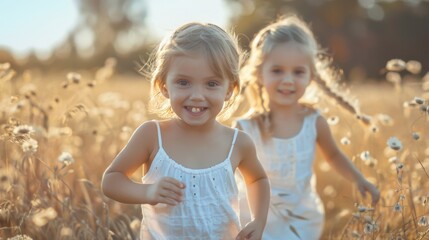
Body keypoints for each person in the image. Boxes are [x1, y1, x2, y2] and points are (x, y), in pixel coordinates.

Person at [101, 22, 270, 240]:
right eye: (183, 82)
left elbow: (257, 180)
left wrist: (259, 220)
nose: (197, 95)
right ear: (164, 86)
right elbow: (111, 180)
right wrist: (148, 192)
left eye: (211, 84)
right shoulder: (152, 136)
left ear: (229, 89)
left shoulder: (238, 143)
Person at [235, 15, 380, 240]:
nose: (288, 80)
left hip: (301, 218)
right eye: (277, 70)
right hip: (254, 217)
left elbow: (333, 155)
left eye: (298, 72)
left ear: (311, 76)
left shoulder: (314, 121)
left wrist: (359, 179)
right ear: (259, 74)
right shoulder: (246, 127)